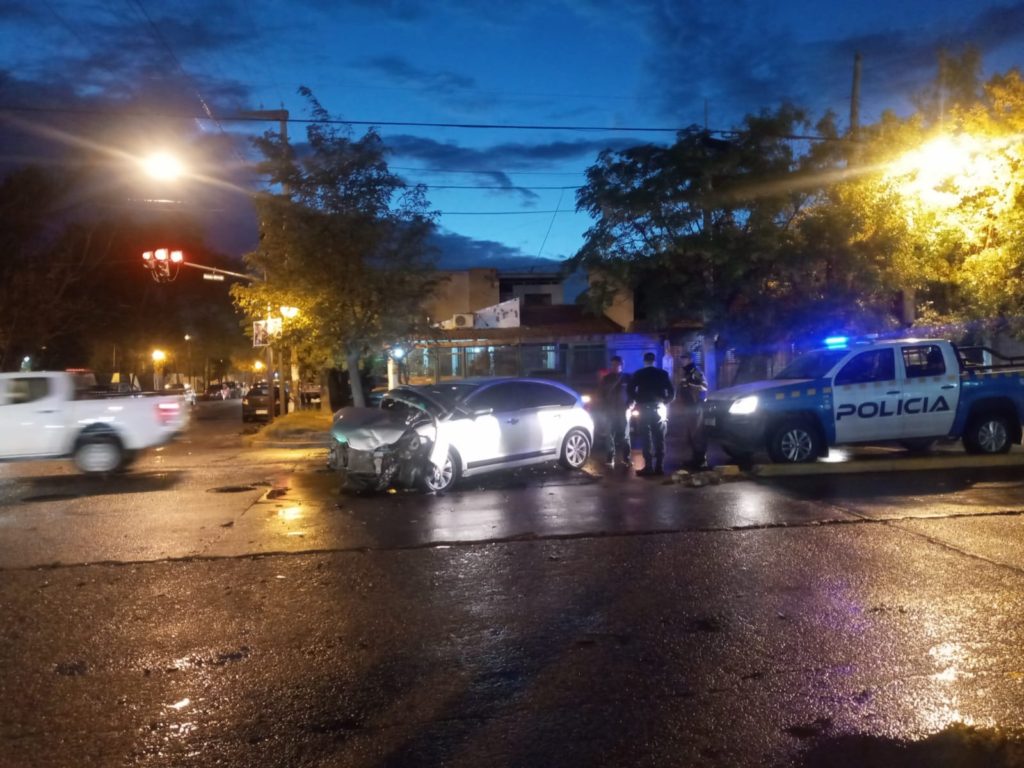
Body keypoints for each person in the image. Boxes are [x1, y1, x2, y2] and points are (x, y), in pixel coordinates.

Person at [628, 352, 675, 476]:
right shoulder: (662, 374)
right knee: (660, 437)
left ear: (644, 361)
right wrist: (665, 401)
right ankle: (659, 467)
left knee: (646, 437)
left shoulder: (639, 374)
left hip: (643, 407)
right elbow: (671, 392)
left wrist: (637, 399)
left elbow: (630, 390)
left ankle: (648, 467)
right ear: (654, 361)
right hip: (659, 407)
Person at [598, 356, 632, 469]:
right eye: (613, 364)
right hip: (610, 411)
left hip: (624, 410)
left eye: (617, 364)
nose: (614, 366)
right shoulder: (606, 379)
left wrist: (631, 404)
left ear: (622, 365)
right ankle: (609, 458)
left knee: (625, 435)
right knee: (609, 435)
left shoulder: (627, 378)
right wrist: (603, 408)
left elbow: (633, 394)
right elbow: (601, 395)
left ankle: (626, 458)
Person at [678, 351, 709, 470]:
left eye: (684, 358)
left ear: (690, 359)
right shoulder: (686, 372)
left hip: (696, 406)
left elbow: (704, 386)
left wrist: (689, 384)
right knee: (690, 434)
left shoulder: (695, 371)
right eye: (682, 358)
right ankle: (694, 459)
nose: (682, 360)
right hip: (688, 406)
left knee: (697, 433)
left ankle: (701, 460)